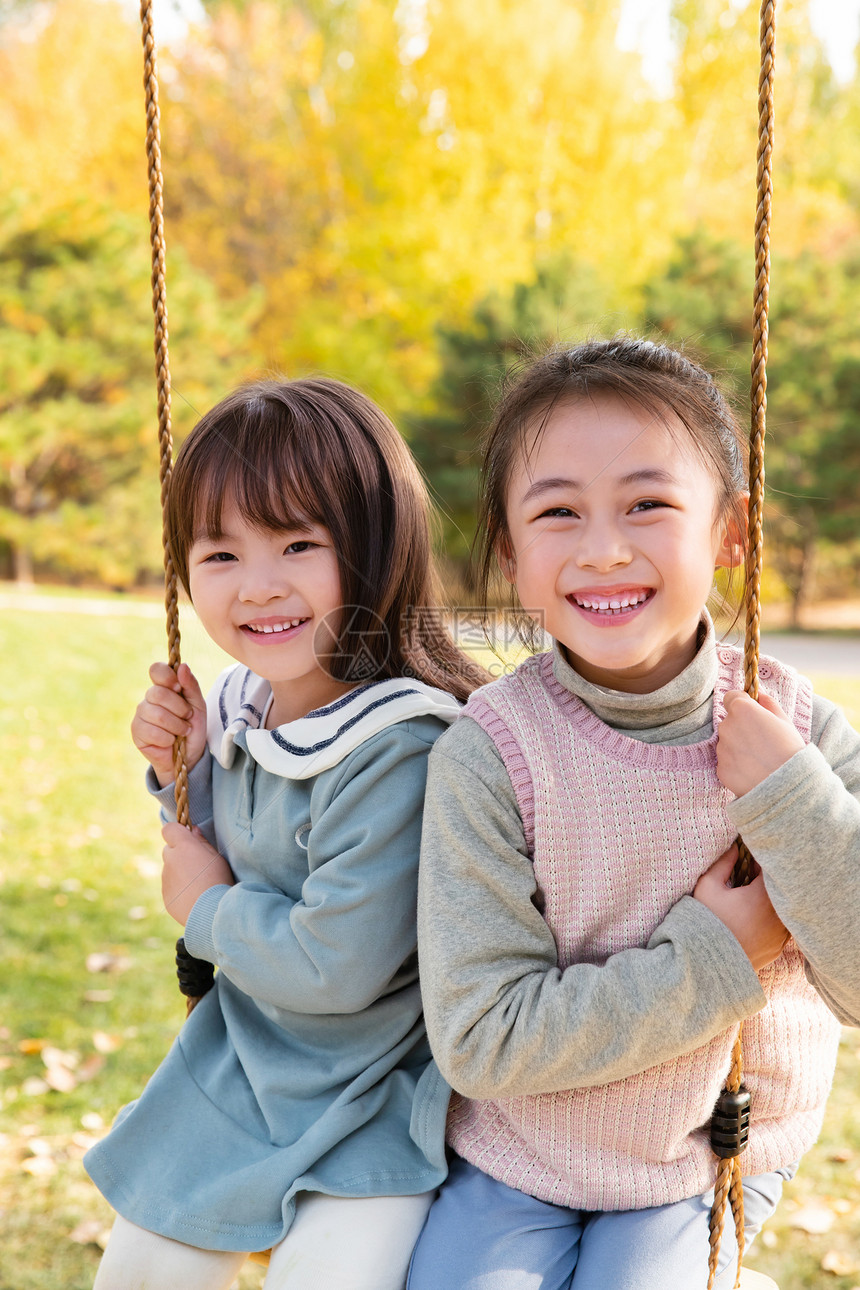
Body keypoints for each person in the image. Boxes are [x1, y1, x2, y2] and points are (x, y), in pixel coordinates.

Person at [409, 337, 860, 1290]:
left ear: (731, 532)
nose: (603, 547)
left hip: (705, 1162)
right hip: (520, 1156)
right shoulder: (491, 755)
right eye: (558, 511)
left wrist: (790, 799)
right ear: (511, 553)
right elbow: (482, 1036)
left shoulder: (801, 736)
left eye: (648, 505)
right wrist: (717, 956)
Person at [85, 377, 487, 1290]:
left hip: (373, 1087)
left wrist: (206, 910)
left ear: (377, 548)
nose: (259, 586)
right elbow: (230, 837)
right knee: (143, 1264)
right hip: (247, 1063)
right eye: (219, 554)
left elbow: (334, 967)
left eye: (299, 544)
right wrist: (181, 774)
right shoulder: (248, 706)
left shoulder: (401, 744)